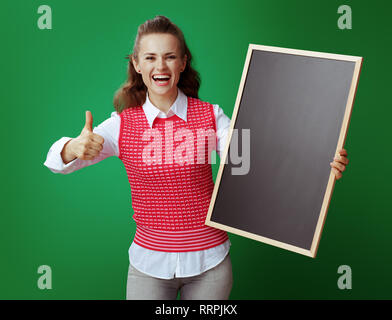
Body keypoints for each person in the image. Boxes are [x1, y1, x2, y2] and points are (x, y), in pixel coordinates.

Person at [43, 15, 349, 300]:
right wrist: (72, 147)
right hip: (147, 267)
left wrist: (318, 163)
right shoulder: (122, 124)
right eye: (150, 57)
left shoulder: (212, 117)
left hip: (210, 265)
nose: (160, 66)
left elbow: (254, 160)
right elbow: (57, 161)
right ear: (137, 64)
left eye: (170, 56)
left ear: (182, 62)